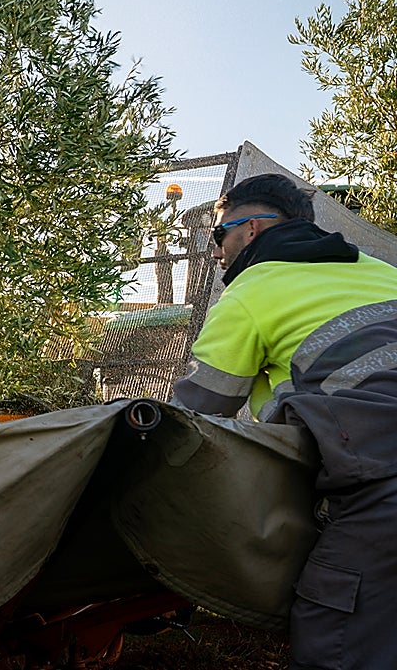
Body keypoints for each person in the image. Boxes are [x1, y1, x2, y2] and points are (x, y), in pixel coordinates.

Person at [172, 172, 397, 670]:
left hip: (383, 474)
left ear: (252, 230)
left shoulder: (252, 290)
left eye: (218, 235)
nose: (216, 254)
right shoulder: (382, 271)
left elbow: (191, 422)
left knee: (336, 628)